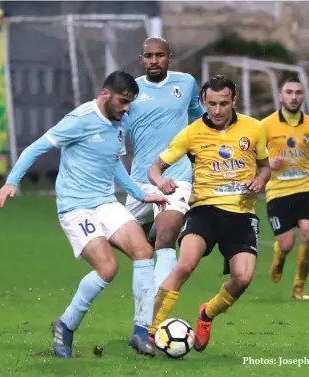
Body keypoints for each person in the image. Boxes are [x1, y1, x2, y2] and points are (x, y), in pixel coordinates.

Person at [0, 71, 169, 357]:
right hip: (76, 207)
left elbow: (114, 164)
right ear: (105, 95)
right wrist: (13, 180)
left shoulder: (119, 123)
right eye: (123, 102)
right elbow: (36, 147)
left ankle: (140, 332)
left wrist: (139, 194)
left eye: (130, 104)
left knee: (143, 250)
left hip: (106, 202)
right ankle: (66, 324)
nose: (126, 109)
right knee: (108, 268)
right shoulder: (80, 119)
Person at [146, 74, 271, 352]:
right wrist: (160, 181)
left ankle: (207, 314)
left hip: (241, 214)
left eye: (223, 104)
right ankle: (151, 330)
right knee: (185, 265)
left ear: (234, 100)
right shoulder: (191, 132)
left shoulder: (254, 128)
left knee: (243, 277)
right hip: (204, 210)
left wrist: (261, 180)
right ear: (204, 101)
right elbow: (155, 168)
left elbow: (265, 165)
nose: (216, 110)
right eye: (211, 103)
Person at [125, 37, 205, 339]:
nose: (154, 60)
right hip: (139, 180)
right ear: (141, 58)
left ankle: (149, 319)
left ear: (170, 57)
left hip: (178, 175)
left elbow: (200, 120)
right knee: (128, 244)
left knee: (167, 234)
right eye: (149, 56)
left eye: (160, 55)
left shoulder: (186, 84)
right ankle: (149, 271)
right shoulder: (130, 90)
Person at [261, 76, 309, 300]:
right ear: (280, 96)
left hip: (305, 187)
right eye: (289, 92)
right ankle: (279, 257)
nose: (294, 97)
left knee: (308, 234)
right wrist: (267, 162)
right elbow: (252, 154)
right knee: (286, 244)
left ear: (303, 96)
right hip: (278, 191)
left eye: (298, 93)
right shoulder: (265, 125)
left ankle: (299, 287)